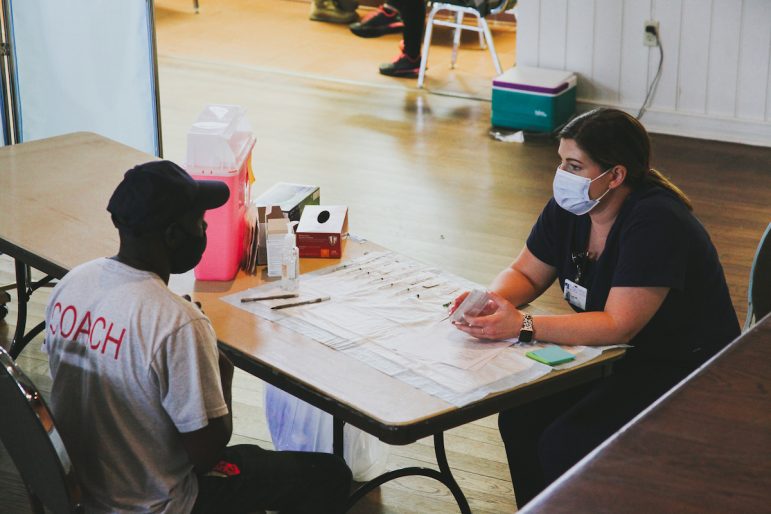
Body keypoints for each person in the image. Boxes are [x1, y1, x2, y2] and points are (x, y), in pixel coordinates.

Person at [450, 108, 740, 507]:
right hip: (614, 353)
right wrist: (490, 301)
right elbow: (526, 272)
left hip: (682, 367)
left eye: (574, 165)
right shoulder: (574, 208)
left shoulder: (657, 221)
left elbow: (619, 325)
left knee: (566, 442)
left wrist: (522, 324)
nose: (562, 176)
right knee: (520, 417)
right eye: (560, 162)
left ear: (616, 175)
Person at [44, 161, 352, 514]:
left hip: (85, 493)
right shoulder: (177, 322)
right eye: (199, 220)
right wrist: (222, 368)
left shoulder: (74, 283)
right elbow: (207, 455)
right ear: (173, 235)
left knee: (254, 459)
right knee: (328, 474)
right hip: (159, 504)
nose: (205, 227)